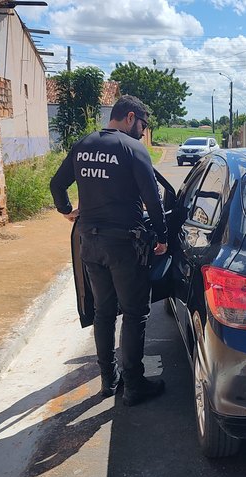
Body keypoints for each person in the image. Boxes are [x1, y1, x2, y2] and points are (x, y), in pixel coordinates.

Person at [50, 95, 168, 406]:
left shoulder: (83, 144)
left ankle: (107, 380)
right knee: (134, 313)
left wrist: (67, 211)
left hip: (89, 244)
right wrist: (161, 236)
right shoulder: (133, 150)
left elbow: (56, 184)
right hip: (125, 247)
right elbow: (153, 201)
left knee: (103, 312)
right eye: (142, 124)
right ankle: (134, 385)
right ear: (130, 117)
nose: (143, 132)